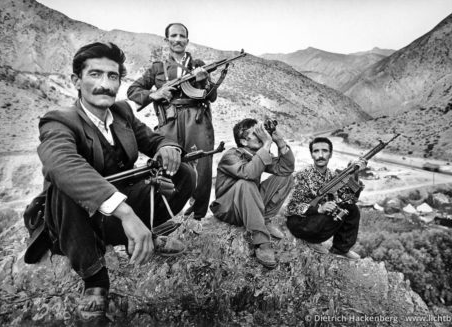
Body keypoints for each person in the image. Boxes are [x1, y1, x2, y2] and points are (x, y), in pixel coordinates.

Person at [32, 42, 196, 320]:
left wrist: (168, 148)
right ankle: (95, 279)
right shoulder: (58, 120)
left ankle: (142, 236)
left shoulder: (122, 112)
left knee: (184, 173)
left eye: (112, 76)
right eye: (95, 74)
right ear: (76, 80)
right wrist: (127, 213)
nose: (105, 84)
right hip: (77, 221)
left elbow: (153, 138)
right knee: (64, 187)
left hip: (115, 216)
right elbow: (63, 165)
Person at [127, 22, 218, 221]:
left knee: (202, 166)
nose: (178, 39)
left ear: (187, 40)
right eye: (174, 36)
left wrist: (203, 80)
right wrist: (155, 94)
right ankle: (162, 216)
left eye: (182, 36)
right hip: (169, 120)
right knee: (167, 166)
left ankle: (197, 216)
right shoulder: (158, 68)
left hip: (197, 119)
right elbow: (133, 91)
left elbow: (212, 96)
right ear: (167, 40)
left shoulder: (198, 64)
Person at [209, 118, 295, 268]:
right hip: (229, 209)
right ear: (243, 141)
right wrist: (267, 144)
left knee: (286, 178)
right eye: (256, 133)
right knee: (245, 183)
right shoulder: (231, 155)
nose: (261, 136)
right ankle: (262, 242)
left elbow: (285, 169)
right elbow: (249, 173)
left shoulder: (256, 155)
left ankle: (263, 219)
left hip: (249, 206)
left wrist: (280, 142)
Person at [285, 137, 366, 260]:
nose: (320, 155)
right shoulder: (302, 175)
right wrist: (319, 209)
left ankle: (340, 248)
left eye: (325, 151)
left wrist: (355, 174)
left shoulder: (333, 176)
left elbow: (350, 199)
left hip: (320, 223)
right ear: (312, 154)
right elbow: (291, 207)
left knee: (352, 209)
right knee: (326, 213)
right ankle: (308, 241)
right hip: (301, 224)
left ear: (331, 154)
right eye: (316, 151)